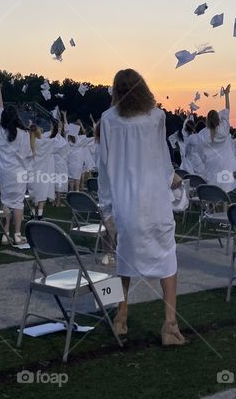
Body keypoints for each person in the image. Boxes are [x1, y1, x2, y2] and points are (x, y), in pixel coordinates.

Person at [97, 68, 185, 347]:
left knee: (123, 261)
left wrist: (106, 208)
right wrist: (174, 183)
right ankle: (170, 325)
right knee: (168, 261)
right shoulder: (156, 116)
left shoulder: (107, 120)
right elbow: (162, 159)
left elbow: (103, 167)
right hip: (156, 202)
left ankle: (120, 316)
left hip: (125, 204)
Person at [0, 78, 29, 245]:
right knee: (18, 203)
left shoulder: (0, 130)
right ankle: (17, 234)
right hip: (19, 172)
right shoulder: (24, 134)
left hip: (5, 171)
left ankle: (5, 233)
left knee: (6, 203)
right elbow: (28, 155)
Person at [193, 85, 236, 192]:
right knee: (225, 190)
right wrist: (227, 95)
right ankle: (225, 207)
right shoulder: (224, 129)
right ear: (218, 119)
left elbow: (200, 151)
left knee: (213, 189)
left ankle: (211, 207)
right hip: (227, 165)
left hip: (211, 165)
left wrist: (206, 160)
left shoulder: (202, 134)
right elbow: (227, 111)